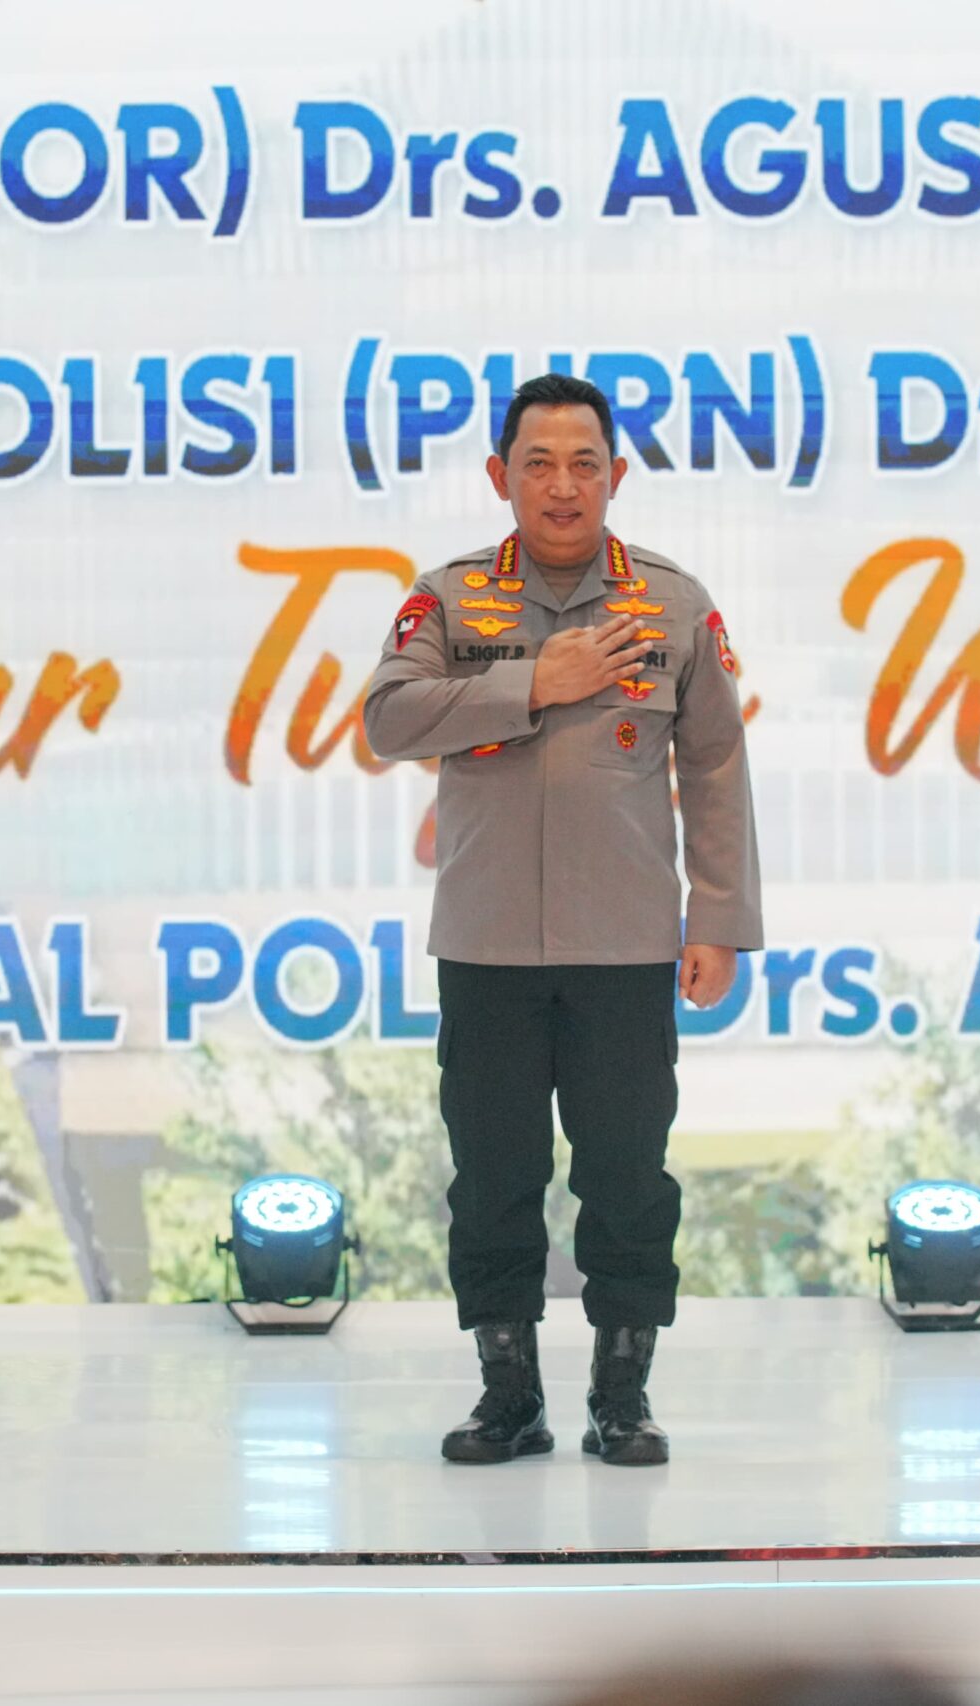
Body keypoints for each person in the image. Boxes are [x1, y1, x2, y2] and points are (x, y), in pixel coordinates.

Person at [363, 373, 764, 1467]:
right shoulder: (448, 599)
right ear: (500, 477)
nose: (562, 484)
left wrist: (719, 917)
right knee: (492, 1174)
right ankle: (508, 1393)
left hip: (626, 945)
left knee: (628, 1173)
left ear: (616, 475)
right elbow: (388, 718)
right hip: (486, 943)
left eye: (584, 462)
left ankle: (620, 1393)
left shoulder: (672, 604)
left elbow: (717, 767)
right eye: (537, 462)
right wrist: (534, 680)